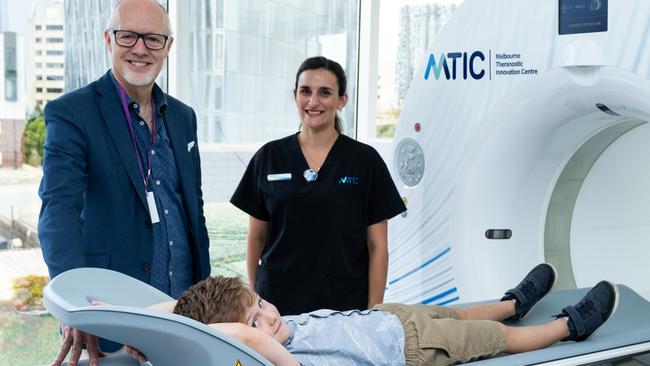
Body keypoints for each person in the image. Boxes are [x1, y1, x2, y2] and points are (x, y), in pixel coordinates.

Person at [38, 0, 210, 364]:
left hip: (185, 311)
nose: (140, 49)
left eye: (152, 39)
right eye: (128, 36)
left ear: (168, 46)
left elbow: (193, 208)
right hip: (108, 316)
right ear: (108, 40)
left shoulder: (183, 117)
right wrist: (78, 306)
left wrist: (205, 299)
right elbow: (59, 210)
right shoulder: (72, 114)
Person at [161, 263, 618, 366]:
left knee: (458, 312)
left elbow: (171, 309)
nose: (268, 316)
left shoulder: (275, 329)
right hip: (412, 350)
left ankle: (515, 302)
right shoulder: (280, 360)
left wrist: (158, 322)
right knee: (494, 335)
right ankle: (568, 326)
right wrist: (227, 333)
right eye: (254, 319)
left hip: (386, 316)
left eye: (261, 302)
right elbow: (247, 340)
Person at [230, 56, 406, 315]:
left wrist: (373, 312)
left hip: (345, 305)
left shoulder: (365, 161)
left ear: (342, 100)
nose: (313, 101)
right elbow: (256, 237)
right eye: (306, 91)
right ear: (295, 96)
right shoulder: (269, 157)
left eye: (325, 92)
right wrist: (257, 299)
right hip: (278, 306)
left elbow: (377, 246)